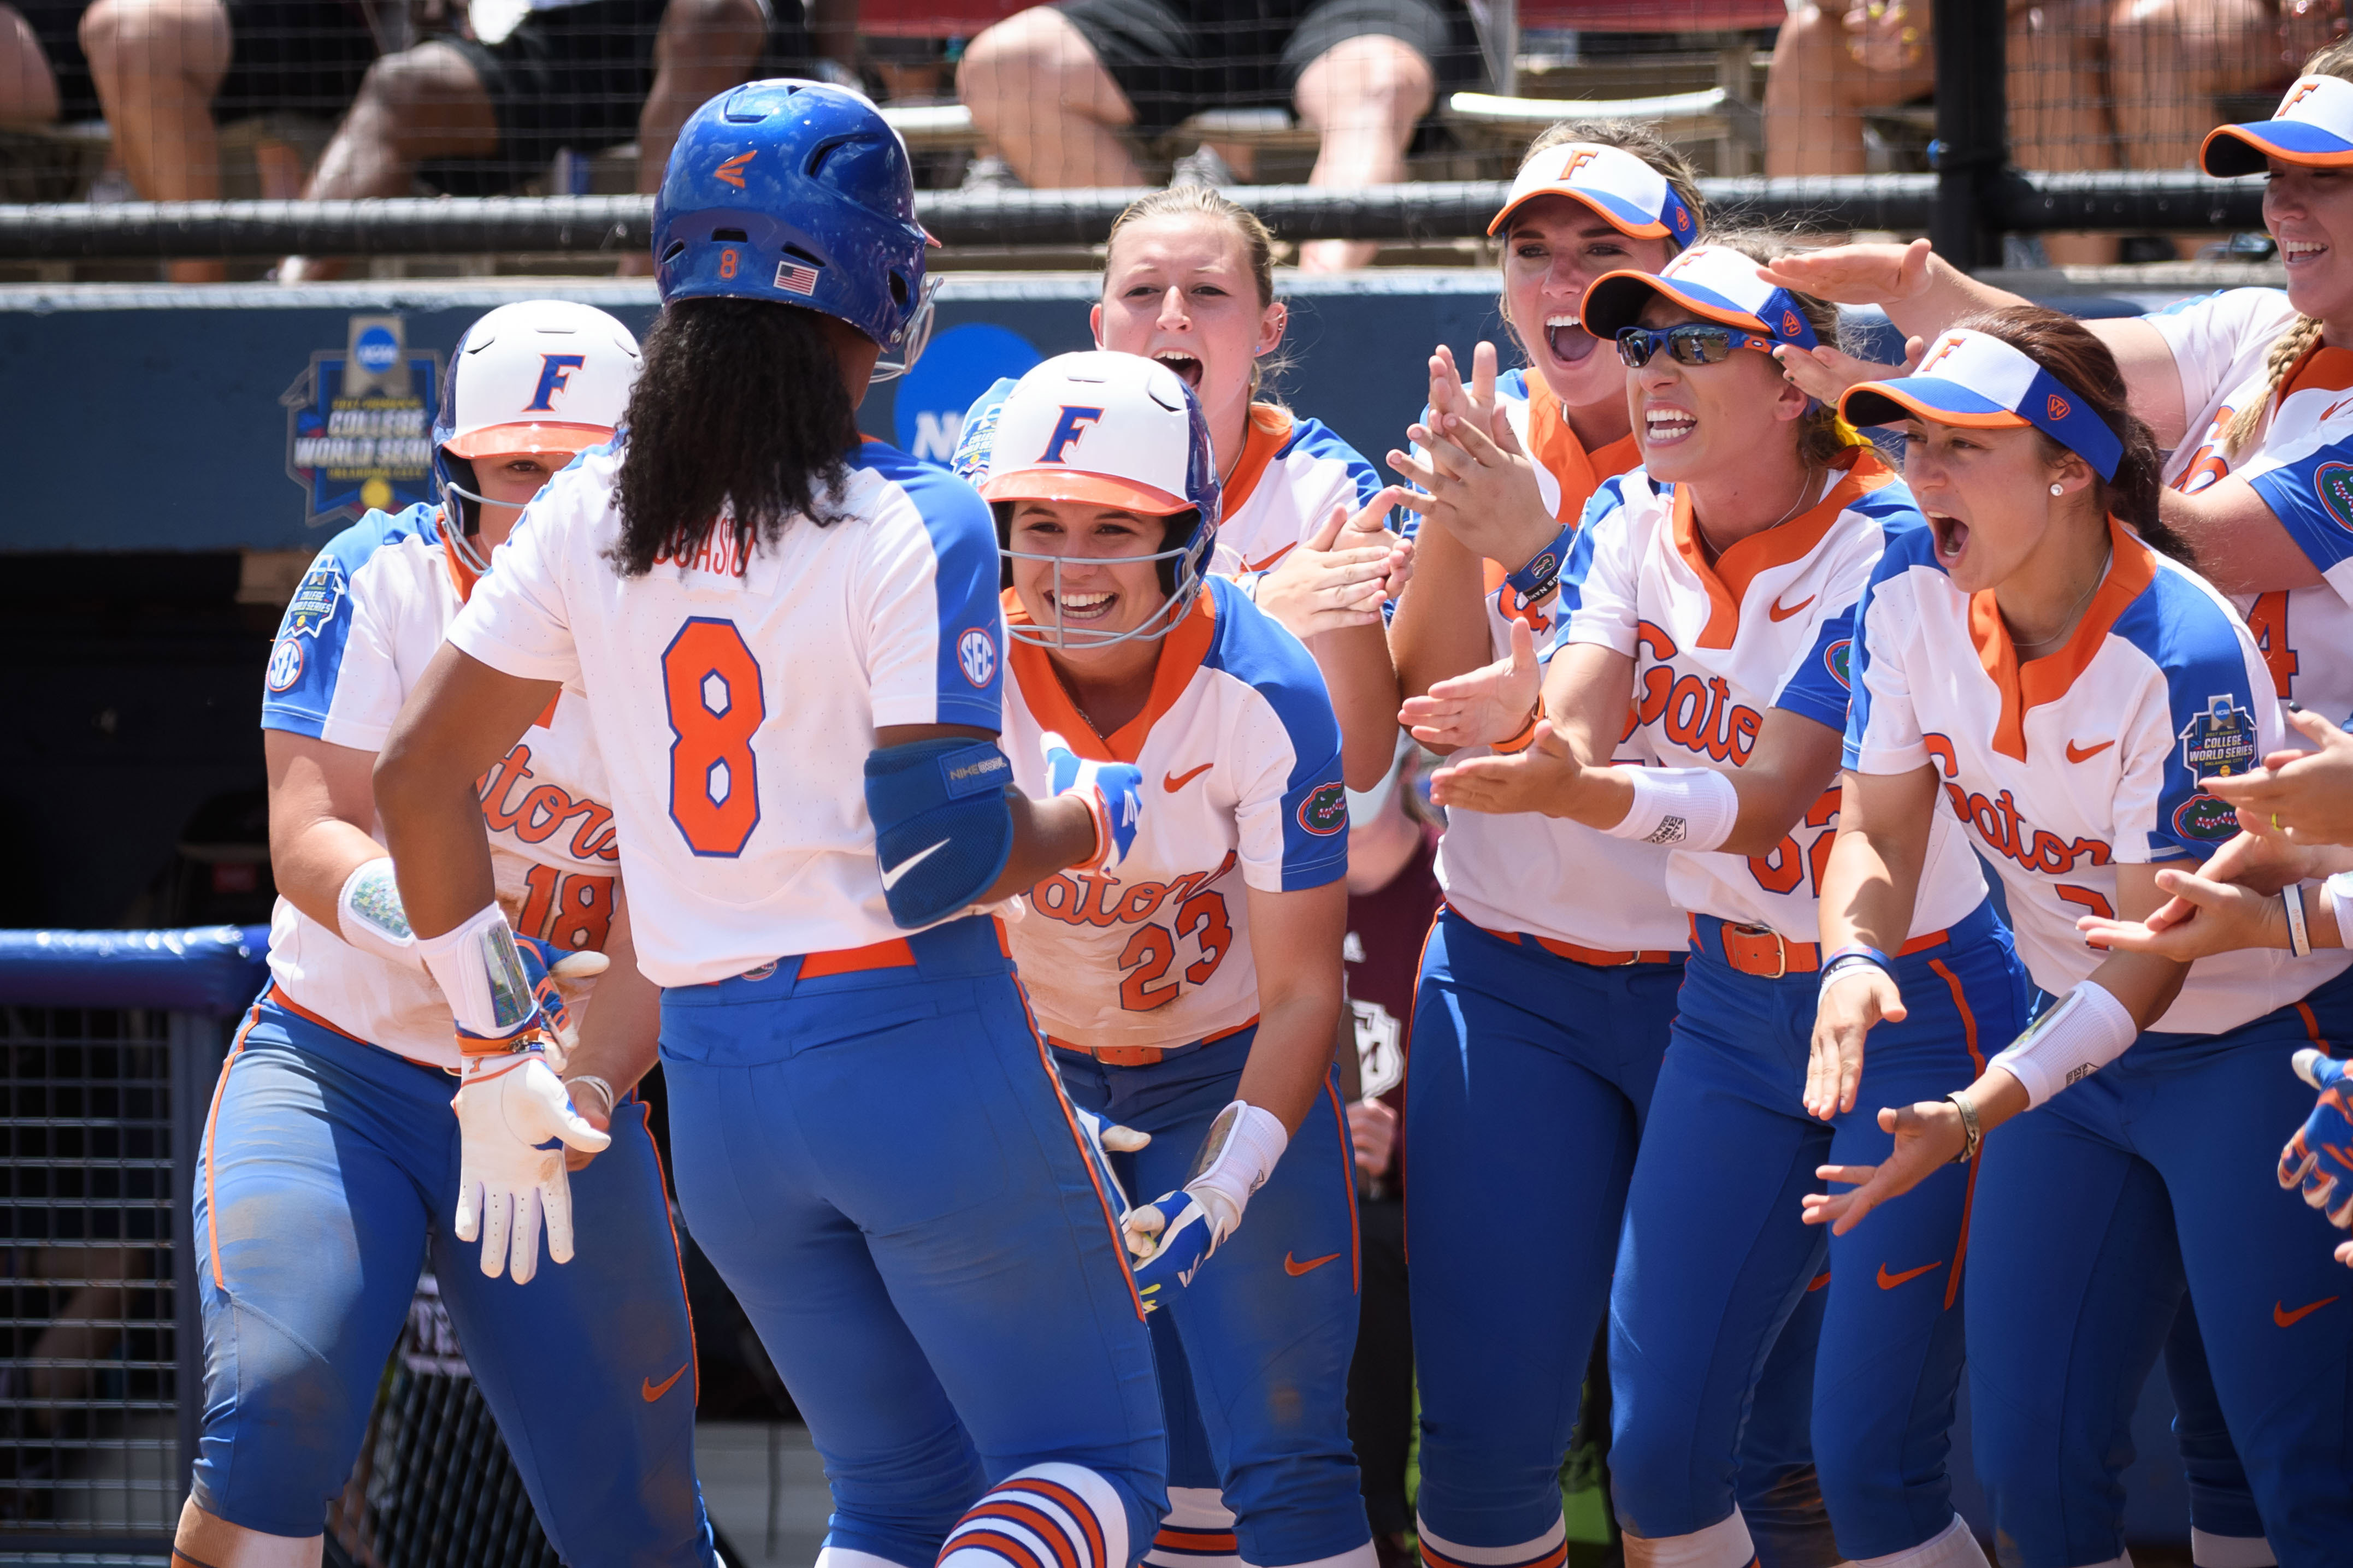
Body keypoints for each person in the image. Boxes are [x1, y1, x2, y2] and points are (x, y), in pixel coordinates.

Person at [369, 80, 1171, 1568]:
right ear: (879, 276)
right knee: (1097, 1464)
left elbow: (415, 782)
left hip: (723, 1097)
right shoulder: (906, 512)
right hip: (911, 1038)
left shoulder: (581, 503)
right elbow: (942, 852)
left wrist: (495, 1046)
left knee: (893, 1498)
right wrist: (1084, 819)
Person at [1424, 242, 2026, 1568]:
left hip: (1918, 1004)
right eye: (1641, 345)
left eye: (1697, 343)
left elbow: (1766, 803)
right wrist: (1555, 763)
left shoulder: (1892, 539)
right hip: (1727, 1004)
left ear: (1794, 380)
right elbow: (1582, 701)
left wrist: (1585, 800)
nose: (1654, 372)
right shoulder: (1631, 515)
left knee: (1867, 1467)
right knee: (1658, 1461)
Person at [1808, 311, 2353, 1567]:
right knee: (2033, 1464)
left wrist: (1973, 1112)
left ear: (2068, 467)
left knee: (2301, 1474)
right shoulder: (1907, 594)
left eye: (1958, 446)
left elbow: (2154, 959)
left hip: (2256, 1045)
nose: (1919, 475)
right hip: (2075, 1051)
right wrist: (1850, 958)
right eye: (1907, 445)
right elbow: (1875, 835)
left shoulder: (2183, 648)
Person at [185, 298, 722, 1566]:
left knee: (638, 1517)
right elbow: (315, 836)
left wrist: (569, 1079)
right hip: (340, 1066)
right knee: (274, 1406)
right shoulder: (377, 572)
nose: (543, 497)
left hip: (555, 1083)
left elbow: (661, 927)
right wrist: (463, 954)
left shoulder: (698, 617)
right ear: (461, 466)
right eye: (516, 465)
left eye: (578, 463)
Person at [1388, 143, 1836, 1568]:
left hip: (1737, 986)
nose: (1564, 281)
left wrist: (1539, 547)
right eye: (1534, 250)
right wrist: (1473, 531)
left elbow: (1755, 734)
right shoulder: (1481, 426)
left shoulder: (1781, 458)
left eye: (1602, 251)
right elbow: (1428, 690)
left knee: (1759, 1435)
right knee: (1481, 1434)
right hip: (1515, 977)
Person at [963, 347, 1370, 1568]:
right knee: (1031, 1462)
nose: (1070, 563)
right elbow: (915, 932)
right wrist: (1024, 1111)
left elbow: (1306, 987)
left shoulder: (1267, 687)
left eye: (1112, 524)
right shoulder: (946, 660)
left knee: (1290, 1456)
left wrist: (1230, 1176)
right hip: (1035, 1073)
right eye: (1039, 523)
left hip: (1226, 1065)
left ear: (1185, 530)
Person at [953, 184, 1411, 791]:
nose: (1172, 312)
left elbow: (1360, 764)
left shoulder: (1324, 483)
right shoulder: (1019, 418)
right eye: (1141, 291)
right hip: (1045, 801)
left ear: (1269, 328)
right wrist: (1255, 606)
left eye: (1208, 292)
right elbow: (970, 613)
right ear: (1099, 325)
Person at [275, 0, 852, 281]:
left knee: (708, 13)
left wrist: (835, 61)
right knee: (400, 90)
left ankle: (644, 312)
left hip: (721, 27)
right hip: (566, 37)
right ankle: (277, 305)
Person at [954, 0, 1481, 270]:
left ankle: (1313, 308)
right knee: (1004, 69)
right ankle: (1168, 275)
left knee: (1376, 85)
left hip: (1351, 10)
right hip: (1185, 14)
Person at [1335, 737, 1438, 1568]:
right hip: (1328, 1209)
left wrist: (1410, 1141)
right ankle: (1374, 1531)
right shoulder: (1281, 890)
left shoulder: (1460, 883)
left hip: (1451, 1198)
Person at [78, 0, 379, 279]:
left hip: (320, 30)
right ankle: (198, 302)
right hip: (207, 28)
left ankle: (200, 309)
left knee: (132, 34)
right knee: (116, 29)